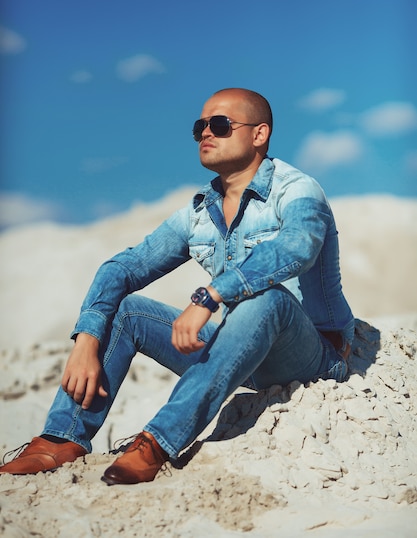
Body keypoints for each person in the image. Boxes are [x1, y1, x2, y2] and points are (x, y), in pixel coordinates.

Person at [0, 87, 354, 484]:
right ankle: (62, 438)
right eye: (199, 126)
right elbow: (124, 267)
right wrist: (86, 338)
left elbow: (298, 247)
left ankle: (157, 442)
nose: (206, 133)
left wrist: (211, 294)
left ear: (259, 134)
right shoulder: (200, 212)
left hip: (312, 356)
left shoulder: (297, 189)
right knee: (125, 309)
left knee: (267, 297)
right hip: (237, 353)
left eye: (220, 125)